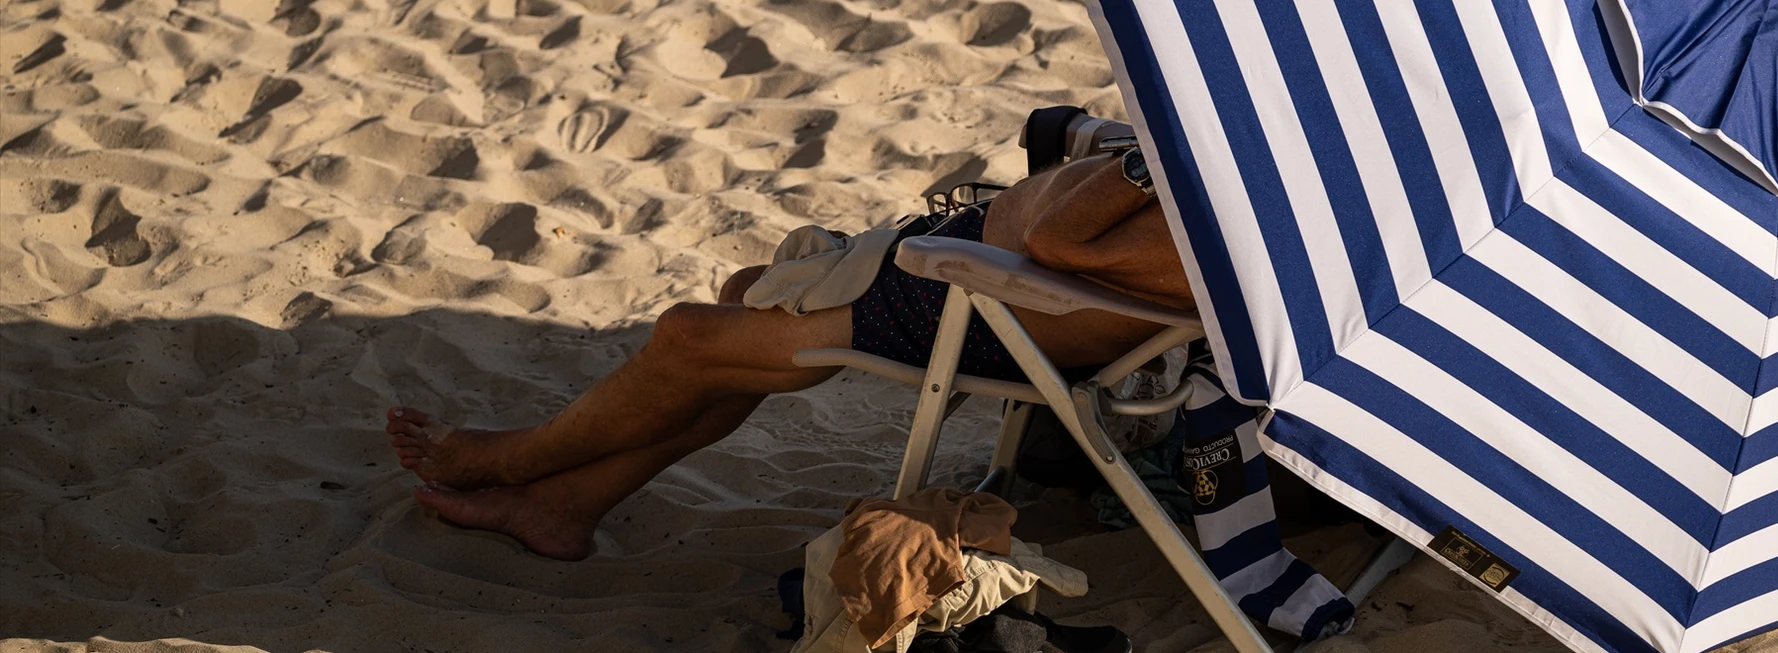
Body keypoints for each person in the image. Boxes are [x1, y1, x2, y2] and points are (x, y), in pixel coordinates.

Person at [384, 148, 1191, 559]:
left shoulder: (1230, 227)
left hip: (967, 306)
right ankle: (564, 508)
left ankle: (510, 462)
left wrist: (1139, 160)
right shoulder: (1259, 189)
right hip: (962, 266)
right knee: (745, 294)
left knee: (689, 335)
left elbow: (1057, 236)